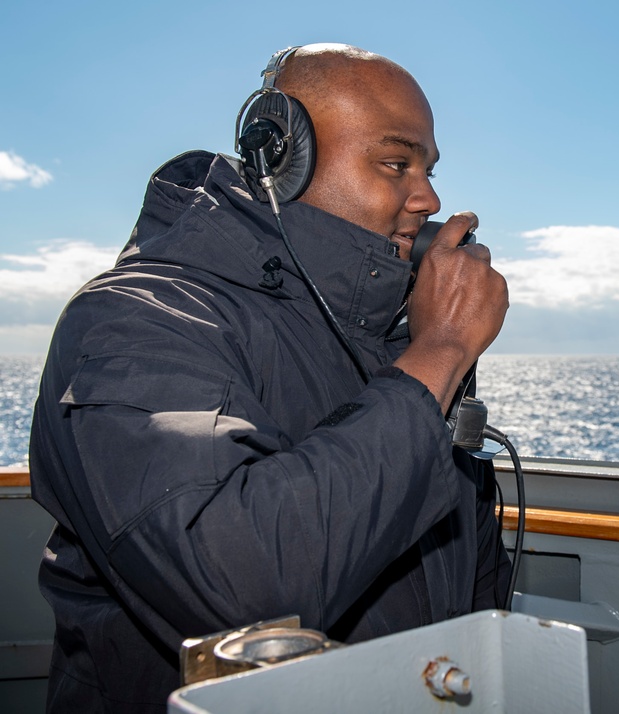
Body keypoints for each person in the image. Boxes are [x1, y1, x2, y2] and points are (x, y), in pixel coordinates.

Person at [29, 43, 511, 713]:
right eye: (395, 164)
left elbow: (468, 576)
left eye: (428, 169)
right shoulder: (134, 320)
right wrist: (442, 352)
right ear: (280, 160)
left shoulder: (390, 346)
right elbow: (240, 590)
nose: (428, 198)